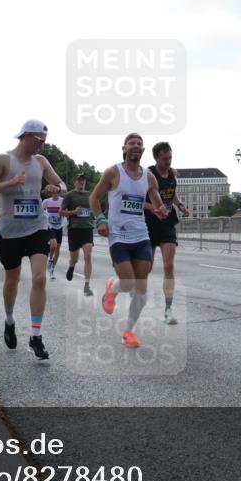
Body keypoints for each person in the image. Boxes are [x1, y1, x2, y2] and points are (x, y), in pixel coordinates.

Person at [0, 119, 66, 360]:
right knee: (12, 279)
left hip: (37, 226)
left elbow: (62, 185)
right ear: (26, 136)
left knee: (39, 278)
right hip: (9, 230)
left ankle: (36, 336)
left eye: (44, 142)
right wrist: (10, 182)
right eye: (39, 141)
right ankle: (9, 319)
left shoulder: (41, 162)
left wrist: (55, 189)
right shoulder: (4, 160)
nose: (42, 146)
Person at [89, 133, 169, 349]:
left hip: (141, 235)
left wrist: (160, 210)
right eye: (132, 143)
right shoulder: (113, 172)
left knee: (141, 289)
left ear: (143, 150)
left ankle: (128, 331)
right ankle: (111, 289)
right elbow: (94, 198)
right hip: (118, 235)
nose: (136, 146)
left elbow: (156, 199)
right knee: (128, 283)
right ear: (124, 148)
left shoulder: (149, 177)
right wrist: (101, 220)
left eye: (139, 144)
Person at [145, 142, 190, 325]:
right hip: (148, 224)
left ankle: (168, 309)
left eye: (170, 158)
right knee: (145, 268)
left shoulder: (172, 173)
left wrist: (179, 205)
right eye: (164, 159)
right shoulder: (147, 174)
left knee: (169, 266)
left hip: (167, 224)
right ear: (156, 158)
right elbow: (138, 201)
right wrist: (153, 207)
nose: (168, 162)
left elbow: (172, 193)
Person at [61, 174, 94, 296]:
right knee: (74, 258)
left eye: (83, 180)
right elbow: (61, 212)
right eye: (79, 180)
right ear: (75, 183)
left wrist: (96, 215)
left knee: (88, 255)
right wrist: (74, 212)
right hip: (74, 229)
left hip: (87, 228)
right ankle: (71, 265)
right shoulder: (69, 195)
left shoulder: (89, 195)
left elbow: (94, 208)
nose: (82, 182)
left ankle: (87, 285)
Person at [42, 190, 64, 280]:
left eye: (57, 192)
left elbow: (67, 209)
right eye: (53, 192)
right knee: (53, 245)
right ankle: (50, 259)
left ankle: (52, 269)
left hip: (60, 226)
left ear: (59, 193)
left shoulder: (63, 201)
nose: (55, 194)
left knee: (57, 248)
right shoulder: (47, 201)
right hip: (50, 226)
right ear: (51, 193)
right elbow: (40, 210)